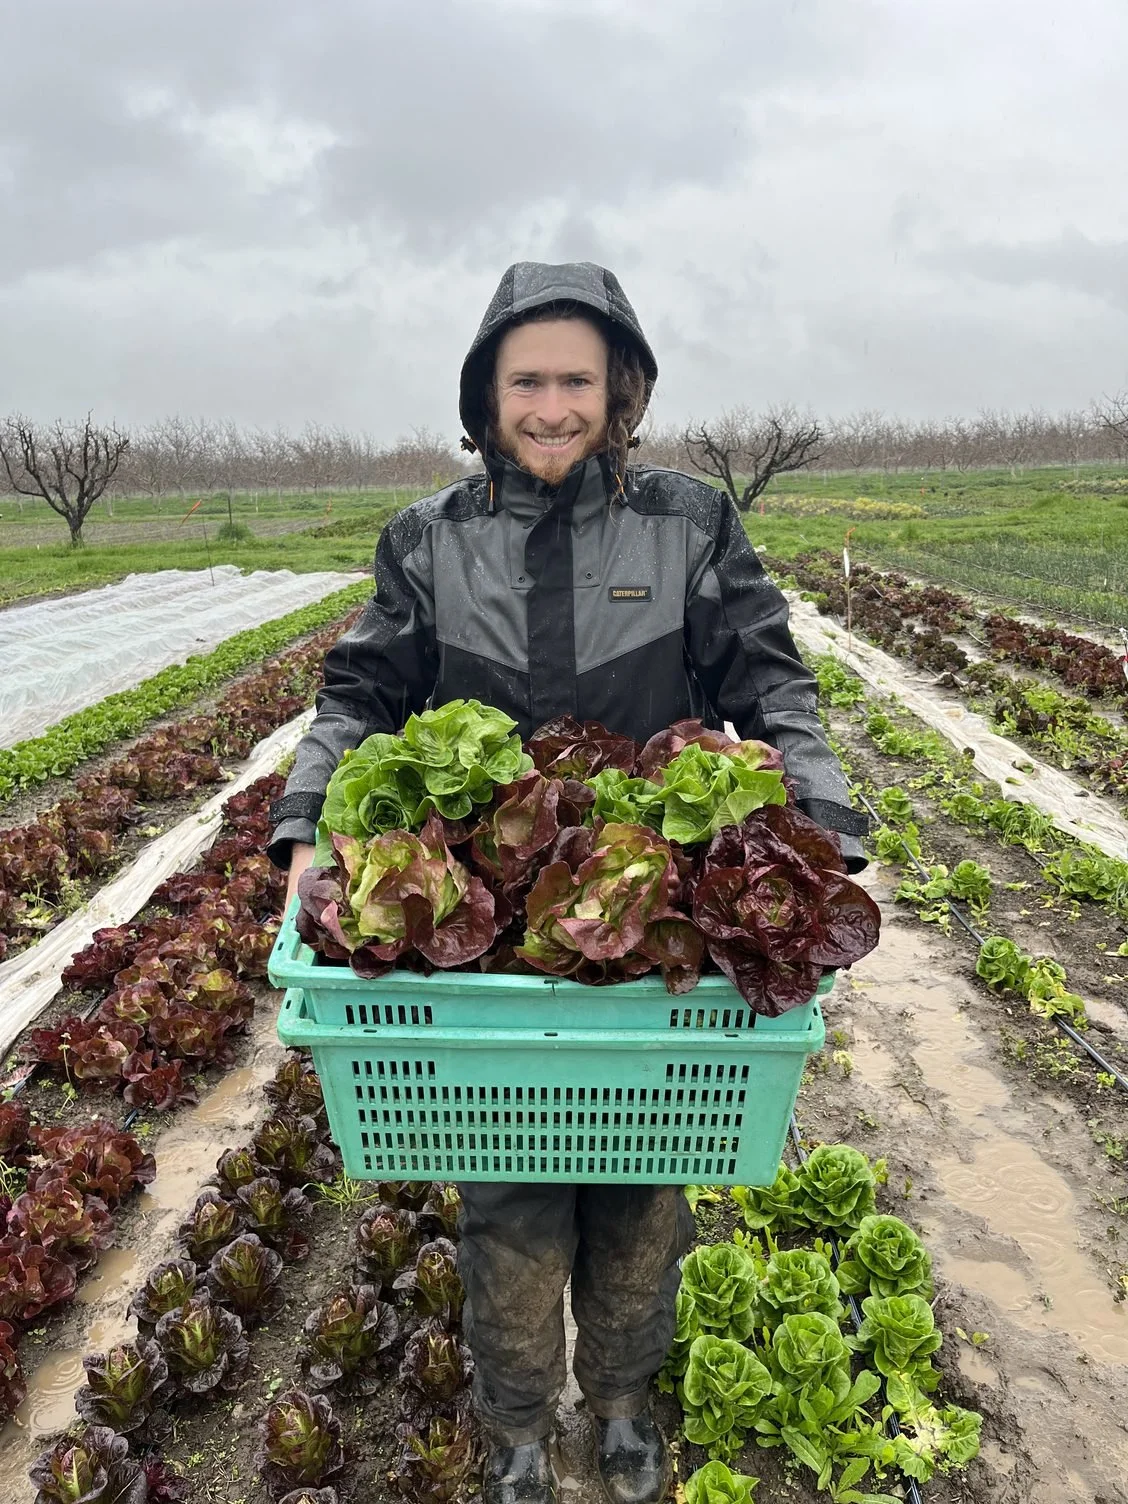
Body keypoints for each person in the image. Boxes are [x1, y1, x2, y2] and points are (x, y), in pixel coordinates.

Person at [266, 261, 868, 1504]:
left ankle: (627, 1402)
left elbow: (768, 678)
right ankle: (522, 1427)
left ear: (622, 390)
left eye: (576, 381)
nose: (551, 405)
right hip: (494, 931)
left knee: (644, 1191)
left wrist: (823, 828)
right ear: (485, 394)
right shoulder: (429, 539)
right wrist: (306, 825)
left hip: (653, 923)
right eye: (525, 380)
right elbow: (359, 691)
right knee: (511, 1195)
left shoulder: (689, 523)